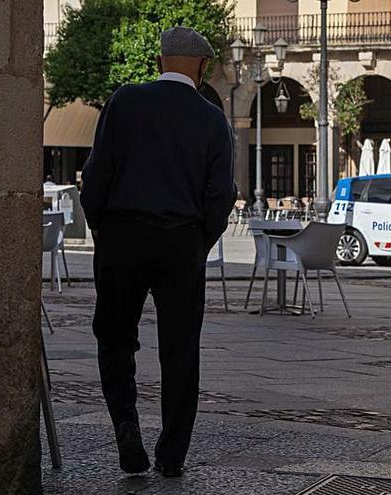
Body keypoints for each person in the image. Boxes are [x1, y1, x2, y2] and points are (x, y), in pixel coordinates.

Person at [80, 27, 236, 477]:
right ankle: (172, 454)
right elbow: (220, 195)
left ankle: (126, 426)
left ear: (159, 62)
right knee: (181, 348)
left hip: (123, 234)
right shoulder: (212, 120)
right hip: (181, 240)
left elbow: (97, 173)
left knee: (115, 337)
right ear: (202, 68)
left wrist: (103, 230)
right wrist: (198, 241)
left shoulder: (124, 101)